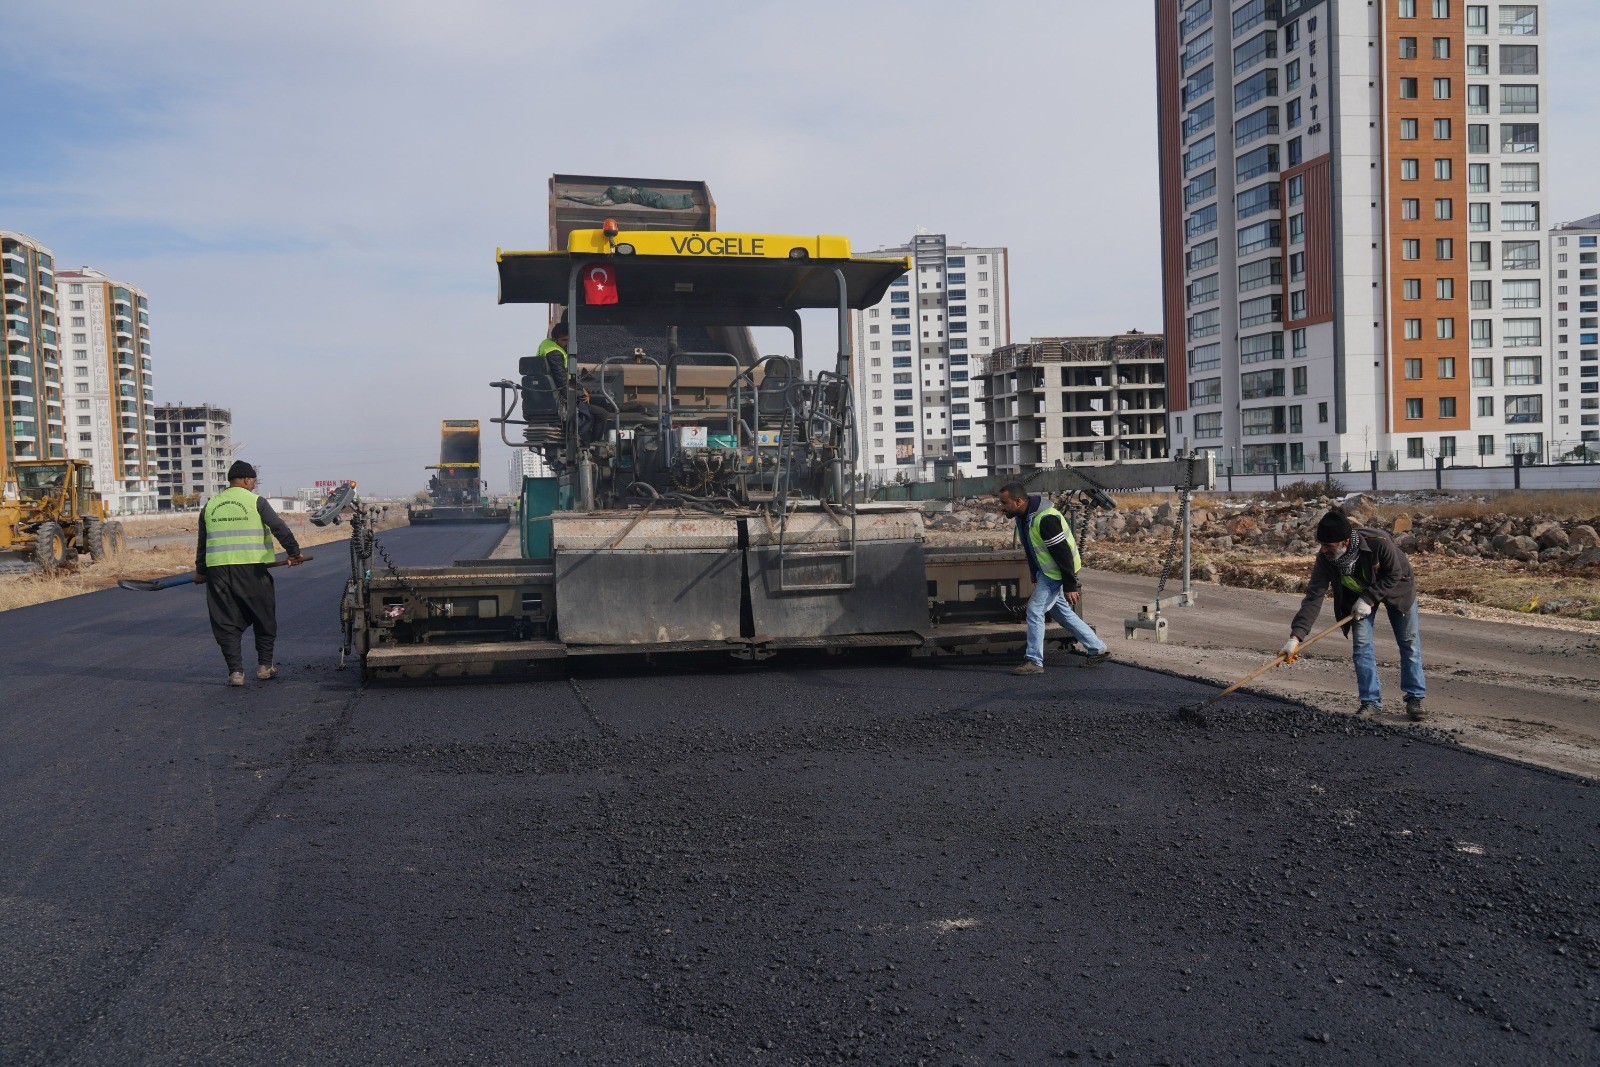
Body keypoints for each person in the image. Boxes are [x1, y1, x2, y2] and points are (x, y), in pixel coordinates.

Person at [1283, 509, 1427, 720]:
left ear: (1345, 543)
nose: (1322, 550)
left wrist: (1369, 599)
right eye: (1321, 544)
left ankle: (1415, 697)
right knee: (1361, 647)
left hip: (1397, 588)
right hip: (1357, 596)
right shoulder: (1325, 559)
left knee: (1409, 642)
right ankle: (1371, 702)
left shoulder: (1378, 543)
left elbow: (1395, 574)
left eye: (1328, 546)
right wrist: (1295, 637)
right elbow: (1313, 597)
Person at [194, 461, 305, 687]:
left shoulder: (211, 505)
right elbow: (278, 527)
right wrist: (293, 552)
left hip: (218, 572)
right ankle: (264, 666)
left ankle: (235, 672)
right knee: (263, 616)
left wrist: (201, 571)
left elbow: (203, 542)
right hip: (252, 569)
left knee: (225, 621)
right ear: (245, 480)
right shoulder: (255, 501)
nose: (254, 484)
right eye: (253, 480)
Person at [997, 482, 1110, 674]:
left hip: (1056, 573)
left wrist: (1070, 585)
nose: (1001, 507)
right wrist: (1034, 571)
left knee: (1034, 611)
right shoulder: (1023, 518)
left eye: (1004, 503)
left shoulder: (1046, 519)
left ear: (1018, 501)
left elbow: (1063, 554)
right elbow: (1032, 548)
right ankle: (1097, 648)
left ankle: (1034, 661)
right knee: (1062, 615)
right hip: (1047, 572)